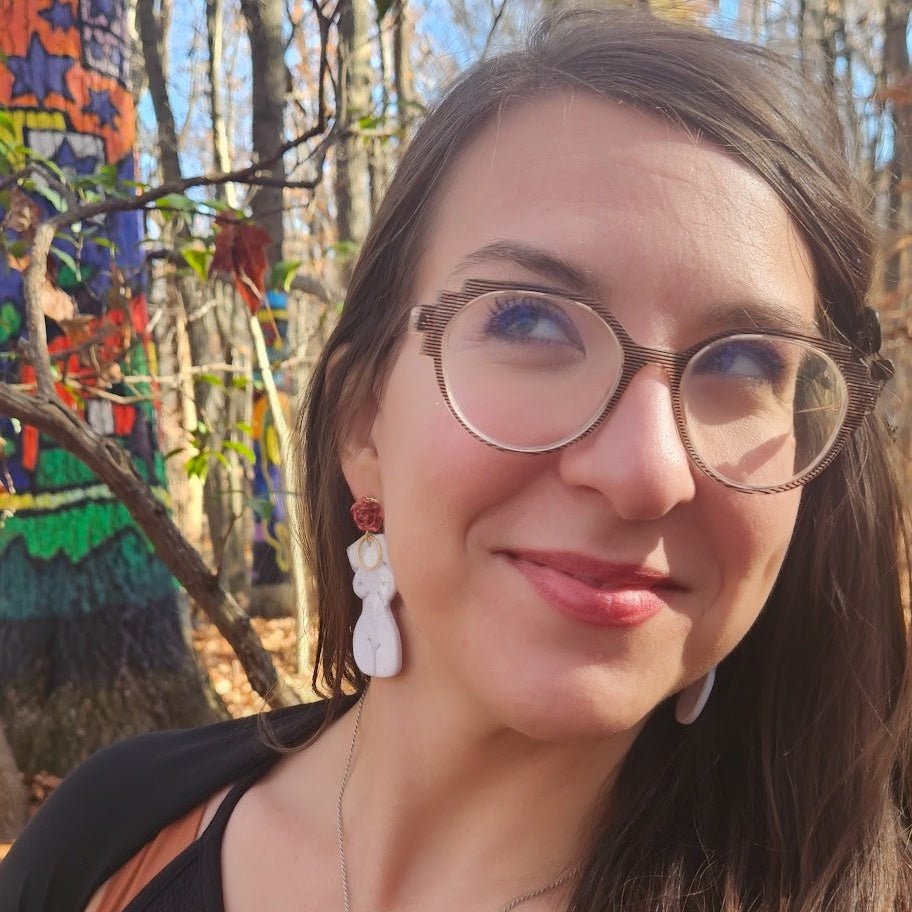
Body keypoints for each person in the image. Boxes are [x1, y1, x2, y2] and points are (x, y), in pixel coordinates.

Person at [2, 7, 910, 912]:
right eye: (531, 320)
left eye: (747, 360)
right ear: (366, 423)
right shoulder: (112, 838)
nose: (647, 470)